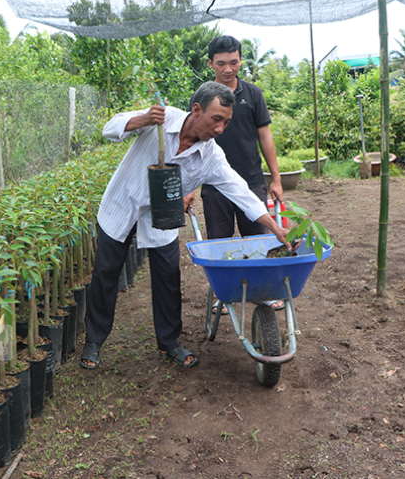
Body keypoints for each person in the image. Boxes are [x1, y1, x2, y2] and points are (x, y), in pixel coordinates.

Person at [80, 81, 293, 371]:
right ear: (196, 110)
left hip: (163, 214)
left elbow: (241, 191)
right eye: (216, 119)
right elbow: (110, 128)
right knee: (106, 272)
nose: (220, 129)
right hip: (122, 203)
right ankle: (94, 340)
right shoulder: (162, 119)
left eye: (226, 122)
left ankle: (169, 342)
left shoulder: (212, 156)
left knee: (168, 276)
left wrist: (273, 226)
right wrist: (143, 119)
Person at [195, 35, 285, 314]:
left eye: (233, 62)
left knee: (258, 240)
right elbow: (192, 139)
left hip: (251, 180)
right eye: (221, 63)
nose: (228, 69)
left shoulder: (253, 94)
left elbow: (265, 137)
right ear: (210, 63)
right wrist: (189, 185)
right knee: (219, 244)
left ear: (240, 61)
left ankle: (264, 293)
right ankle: (222, 295)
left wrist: (276, 179)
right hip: (214, 186)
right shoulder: (202, 97)